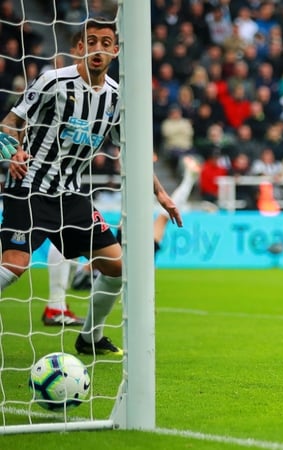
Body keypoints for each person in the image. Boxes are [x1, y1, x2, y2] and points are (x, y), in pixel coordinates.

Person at [0, 18, 183, 354]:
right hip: (30, 187)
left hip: (72, 196)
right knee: (14, 264)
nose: (98, 48)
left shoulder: (115, 98)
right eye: (92, 42)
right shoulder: (52, 82)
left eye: (105, 42)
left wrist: (160, 194)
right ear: (79, 49)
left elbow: (132, 153)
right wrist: (15, 151)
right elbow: (10, 123)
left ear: (114, 51)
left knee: (117, 268)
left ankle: (90, 338)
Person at [45, 154, 200, 327]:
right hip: (123, 257)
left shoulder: (87, 272)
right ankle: (186, 180)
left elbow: (90, 265)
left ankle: (183, 180)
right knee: (157, 220)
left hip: (120, 253)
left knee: (148, 221)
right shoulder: (89, 272)